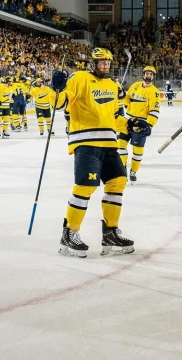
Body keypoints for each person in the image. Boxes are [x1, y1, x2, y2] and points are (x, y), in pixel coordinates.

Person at [52, 48, 134, 257]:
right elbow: (60, 104)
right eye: (101, 62)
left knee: (118, 181)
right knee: (85, 186)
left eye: (108, 62)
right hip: (86, 141)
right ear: (92, 63)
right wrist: (58, 88)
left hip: (109, 142)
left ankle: (111, 232)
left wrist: (130, 125)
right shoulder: (80, 78)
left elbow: (114, 115)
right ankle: (69, 232)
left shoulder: (111, 85)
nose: (105, 66)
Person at [116, 65, 160, 183]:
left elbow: (154, 111)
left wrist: (148, 125)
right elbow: (126, 100)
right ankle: (122, 168)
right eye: (147, 73)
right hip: (127, 120)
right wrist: (121, 94)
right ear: (143, 74)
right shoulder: (135, 86)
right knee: (120, 145)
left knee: (137, 151)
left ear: (153, 77)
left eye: (151, 74)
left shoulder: (154, 92)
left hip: (140, 124)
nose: (148, 76)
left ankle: (133, 171)